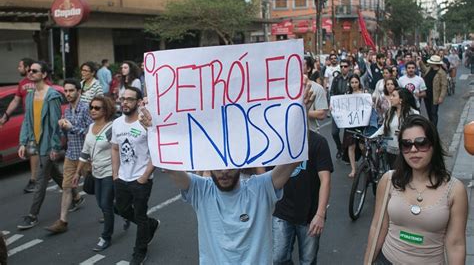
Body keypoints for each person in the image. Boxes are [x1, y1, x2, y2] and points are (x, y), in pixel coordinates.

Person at [137, 77, 315, 264]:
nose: (224, 171)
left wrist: (301, 112)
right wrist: (154, 127)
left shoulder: (261, 189)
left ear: (240, 163)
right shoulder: (201, 190)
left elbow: (295, 158)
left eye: (229, 164)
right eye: (218, 164)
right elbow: (169, 166)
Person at [364, 115, 468, 264]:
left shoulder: (454, 190)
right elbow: (378, 227)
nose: (413, 149)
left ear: (433, 145)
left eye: (421, 143)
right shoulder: (388, 181)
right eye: (406, 144)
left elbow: (456, 244)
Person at [111, 87, 158, 265]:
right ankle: (150, 224)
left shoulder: (146, 123)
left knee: (139, 215)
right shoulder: (117, 123)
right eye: (123, 99)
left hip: (141, 179)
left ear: (138, 102)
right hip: (122, 178)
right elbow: (115, 148)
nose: (125, 102)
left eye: (130, 99)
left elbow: (156, 152)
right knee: (121, 209)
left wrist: (144, 177)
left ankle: (139, 252)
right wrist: (115, 174)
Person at [272, 131, 333, 264]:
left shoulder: (318, 142)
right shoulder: (276, 140)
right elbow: (266, 176)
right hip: (281, 212)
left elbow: (325, 180)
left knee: (308, 260)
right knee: (278, 259)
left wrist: (320, 214)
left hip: (309, 216)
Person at [17, 61, 64, 230]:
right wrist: (23, 142)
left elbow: (55, 124)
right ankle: (75, 196)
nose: (30, 73)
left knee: (41, 178)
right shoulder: (29, 95)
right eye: (29, 70)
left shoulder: (52, 96)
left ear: (44, 74)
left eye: (34, 71)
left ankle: (32, 215)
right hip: (35, 142)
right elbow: (27, 121)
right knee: (54, 172)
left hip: (47, 144)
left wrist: (55, 147)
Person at [44, 79, 92, 234]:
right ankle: (62, 221)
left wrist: (72, 127)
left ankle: (113, 210)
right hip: (71, 154)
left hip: (86, 156)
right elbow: (68, 134)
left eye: (71, 90)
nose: (68, 94)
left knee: (97, 188)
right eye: (66, 91)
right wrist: (63, 127)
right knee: (66, 187)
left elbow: (92, 133)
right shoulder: (67, 110)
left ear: (79, 91)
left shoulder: (86, 108)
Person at [74, 95, 116, 251]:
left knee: (105, 204)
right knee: (101, 203)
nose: (93, 110)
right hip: (95, 171)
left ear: (105, 110)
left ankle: (106, 237)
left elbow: (117, 150)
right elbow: (85, 152)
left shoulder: (111, 128)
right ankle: (125, 212)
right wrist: (78, 173)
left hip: (109, 172)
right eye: (91, 107)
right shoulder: (91, 127)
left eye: (97, 108)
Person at [0, 57, 44, 193]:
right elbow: (15, 101)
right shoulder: (22, 83)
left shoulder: (41, 81)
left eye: (20, 66)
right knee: (34, 150)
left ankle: (37, 179)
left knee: (42, 150)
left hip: (42, 121)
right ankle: (35, 179)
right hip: (29, 122)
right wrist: (6, 116)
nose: (18, 69)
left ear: (27, 68)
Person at [370, 88, 419, 169]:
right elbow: (383, 128)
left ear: (401, 100)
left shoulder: (413, 114)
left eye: (394, 96)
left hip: (407, 151)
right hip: (391, 151)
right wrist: (371, 137)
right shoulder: (389, 113)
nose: (391, 98)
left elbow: (418, 132)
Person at [342, 74, 365, 178]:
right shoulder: (347, 94)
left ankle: (366, 163)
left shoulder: (364, 93)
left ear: (359, 82)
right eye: (352, 82)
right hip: (350, 123)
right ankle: (353, 169)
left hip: (361, 123)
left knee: (362, 145)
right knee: (351, 146)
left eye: (356, 82)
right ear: (349, 84)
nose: (354, 84)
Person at [329, 59, 352, 159]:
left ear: (349, 67)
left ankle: (347, 151)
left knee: (348, 133)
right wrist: (331, 103)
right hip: (338, 109)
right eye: (341, 66)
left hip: (349, 110)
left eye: (345, 66)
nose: (343, 68)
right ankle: (339, 148)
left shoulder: (352, 78)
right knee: (334, 132)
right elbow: (331, 92)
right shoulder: (336, 79)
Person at [419, 55, 448, 128]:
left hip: (435, 96)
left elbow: (444, 86)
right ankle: (431, 126)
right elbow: (424, 69)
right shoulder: (429, 69)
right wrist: (420, 62)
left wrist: (441, 97)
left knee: (433, 113)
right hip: (427, 95)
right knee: (429, 112)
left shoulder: (441, 73)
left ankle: (434, 129)